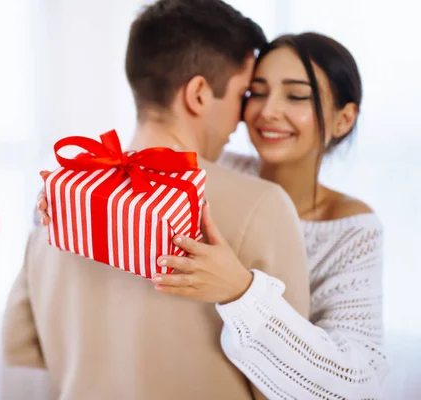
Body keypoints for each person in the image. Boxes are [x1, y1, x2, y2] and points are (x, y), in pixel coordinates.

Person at [5, 1, 310, 399]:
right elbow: (293, 386)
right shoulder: (264, 205)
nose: (242, 117)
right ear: (199, 94)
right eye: (243, 93)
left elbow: (21, 351)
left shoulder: (59, 201)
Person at [149, 33, 388, 399]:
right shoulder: (211, 173)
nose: (268, 110)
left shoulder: (352, 229)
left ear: (343, 119)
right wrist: (64, 200)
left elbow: (357, 384)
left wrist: (242, 293)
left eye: (296, 96)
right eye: (256, 92)